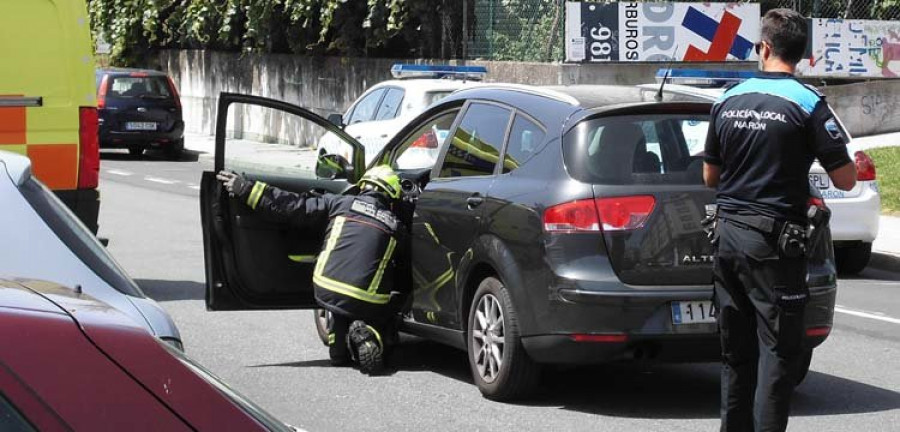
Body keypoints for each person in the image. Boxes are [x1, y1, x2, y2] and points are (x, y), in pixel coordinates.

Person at [703, 9, 857, 432]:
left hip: (727, 239)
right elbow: (845, 179)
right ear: (802, 56)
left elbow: (709, 175)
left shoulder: (727, 98)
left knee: (736, 355)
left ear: (764, 47)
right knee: (778, 355)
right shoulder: (808, 103)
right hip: (773, 246)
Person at [217, 165, 408, 375]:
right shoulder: (396, 226)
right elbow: (403, 270)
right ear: (391, 195)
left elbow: (292, 205)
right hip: (366, 298)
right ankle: (370, 333)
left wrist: (246, 189)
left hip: (326, 286)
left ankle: (340, 348)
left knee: (338, 330)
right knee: (386, 309)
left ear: (363, 186)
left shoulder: (341, 203)